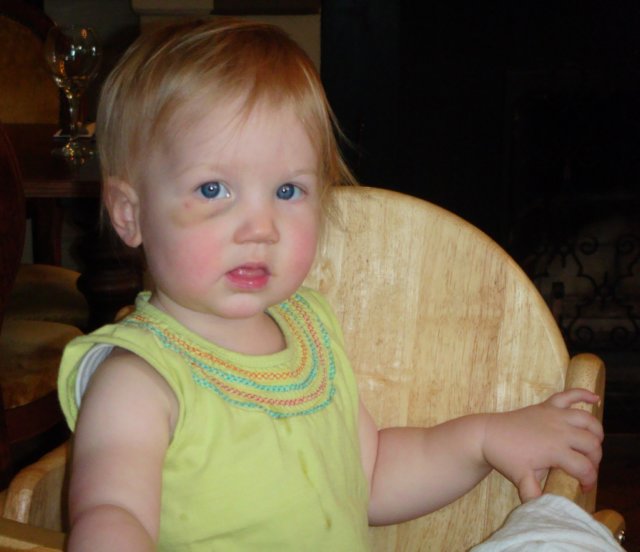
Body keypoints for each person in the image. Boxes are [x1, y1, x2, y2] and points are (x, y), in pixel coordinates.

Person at [57, 18, 611, 552]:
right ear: (129, 214)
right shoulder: (137, 379)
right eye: (212, 190)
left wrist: (483, 439)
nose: (261, 228)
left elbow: (370, 475)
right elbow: (113, 515)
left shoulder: (311, 333)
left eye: (288, 191)